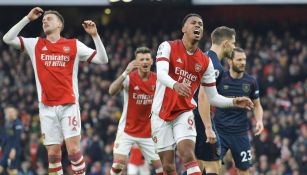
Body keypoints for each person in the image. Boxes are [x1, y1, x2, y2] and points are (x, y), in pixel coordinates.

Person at [2, 7, 108, 175]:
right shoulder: (35, 44)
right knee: (52, 155)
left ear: (60, 24)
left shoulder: (73, 44)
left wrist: (94, 35)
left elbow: (103, 59)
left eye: (49, 19)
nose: (45, 21)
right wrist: (27, 19)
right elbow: (7, 39)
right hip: (46, 107)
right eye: (44, 20)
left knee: (73, 151)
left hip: (69, 105)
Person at [151, 13, 254, 175]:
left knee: (188, 156)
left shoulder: (205, 62)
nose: (198, 25)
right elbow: (161, 74)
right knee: (168, 166)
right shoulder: (167, 46)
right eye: (193, 23)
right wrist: (176, 84)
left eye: (200, 24)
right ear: (184, 28)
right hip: (160, 113)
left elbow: (211, 96)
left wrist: (234, 101)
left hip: (185, 112)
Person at [108, 47, 163, 175]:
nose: (144, 62)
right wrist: (125, 72)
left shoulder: (158, 80)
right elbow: (111, 91)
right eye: (141, 59)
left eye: (147, 59)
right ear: (136, 62)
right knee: (117, 165)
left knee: (162, 168)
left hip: (149, 132)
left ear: (152, 62)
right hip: (127, 130)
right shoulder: (129, 78)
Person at [213, 48, 264, 175]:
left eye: (244, 59)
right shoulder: (220, 79)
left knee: (244, 170)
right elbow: (208, 98)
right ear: (230, 61)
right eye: (239, 59)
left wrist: (259, 121)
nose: (243, 63)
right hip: (220, 132)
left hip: (240, 134)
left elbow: (257, 105)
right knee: (212, 167)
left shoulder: (251, 81)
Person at [194, 26, 236, 175]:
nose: (234, 47)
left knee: (196, 168)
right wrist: (208, 127)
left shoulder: (203, 57)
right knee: (214, 167)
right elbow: (204, 96)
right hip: (201, 119)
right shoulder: (215, 66)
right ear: (225, 44)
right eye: (233, 43)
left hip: (192, 118)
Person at [0, 106, 23, 175]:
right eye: (7, 112)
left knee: (12, 169)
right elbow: (6, 136)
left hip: (14, 149)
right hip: (7, 148)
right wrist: (1, 145)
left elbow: (17, 138)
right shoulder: (8, 122)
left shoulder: (18, 123)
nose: (8, 113)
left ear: (14, 113)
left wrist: (13, 149)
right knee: (9, 169)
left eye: (10, 112)